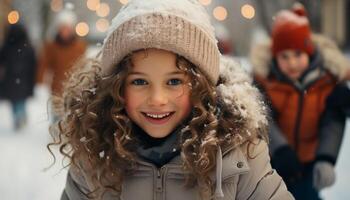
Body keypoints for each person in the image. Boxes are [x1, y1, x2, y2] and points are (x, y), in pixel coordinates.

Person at [52, 0, 293, 199]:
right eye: (139, 81)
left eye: (174, 81)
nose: (157, 99)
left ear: (201, 86)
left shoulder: (238, 153)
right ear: (117, 86)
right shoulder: (94, 157)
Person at [250, 4, 349, 200]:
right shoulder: (266, 82)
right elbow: (263, 118)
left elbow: (332, 123)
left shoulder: (326, 84)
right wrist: (280, 150)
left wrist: (326, 158)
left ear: (309, 53)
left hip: (308, 163)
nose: (292, 63)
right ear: (274, 57)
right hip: (273, 162)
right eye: (284, 56)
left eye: (298, 55)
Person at [36, 8, 87, 118]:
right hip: (57, 86)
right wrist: (40, 81)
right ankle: (55, 132)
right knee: (57, 114)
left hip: (75, 86)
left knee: (71, 114)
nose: (65, 31)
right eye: (62, 28)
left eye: (67, 28)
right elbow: (44, 64)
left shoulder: (80, 46)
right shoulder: (51, 46)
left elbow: (84, 65)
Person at [0, 0, 37, 130]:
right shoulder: (27, 47)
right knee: (19, 101)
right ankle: (19, 117)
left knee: (17, 102)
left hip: (15, 79)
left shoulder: (8, 46)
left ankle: (19, 117)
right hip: (20, 80)